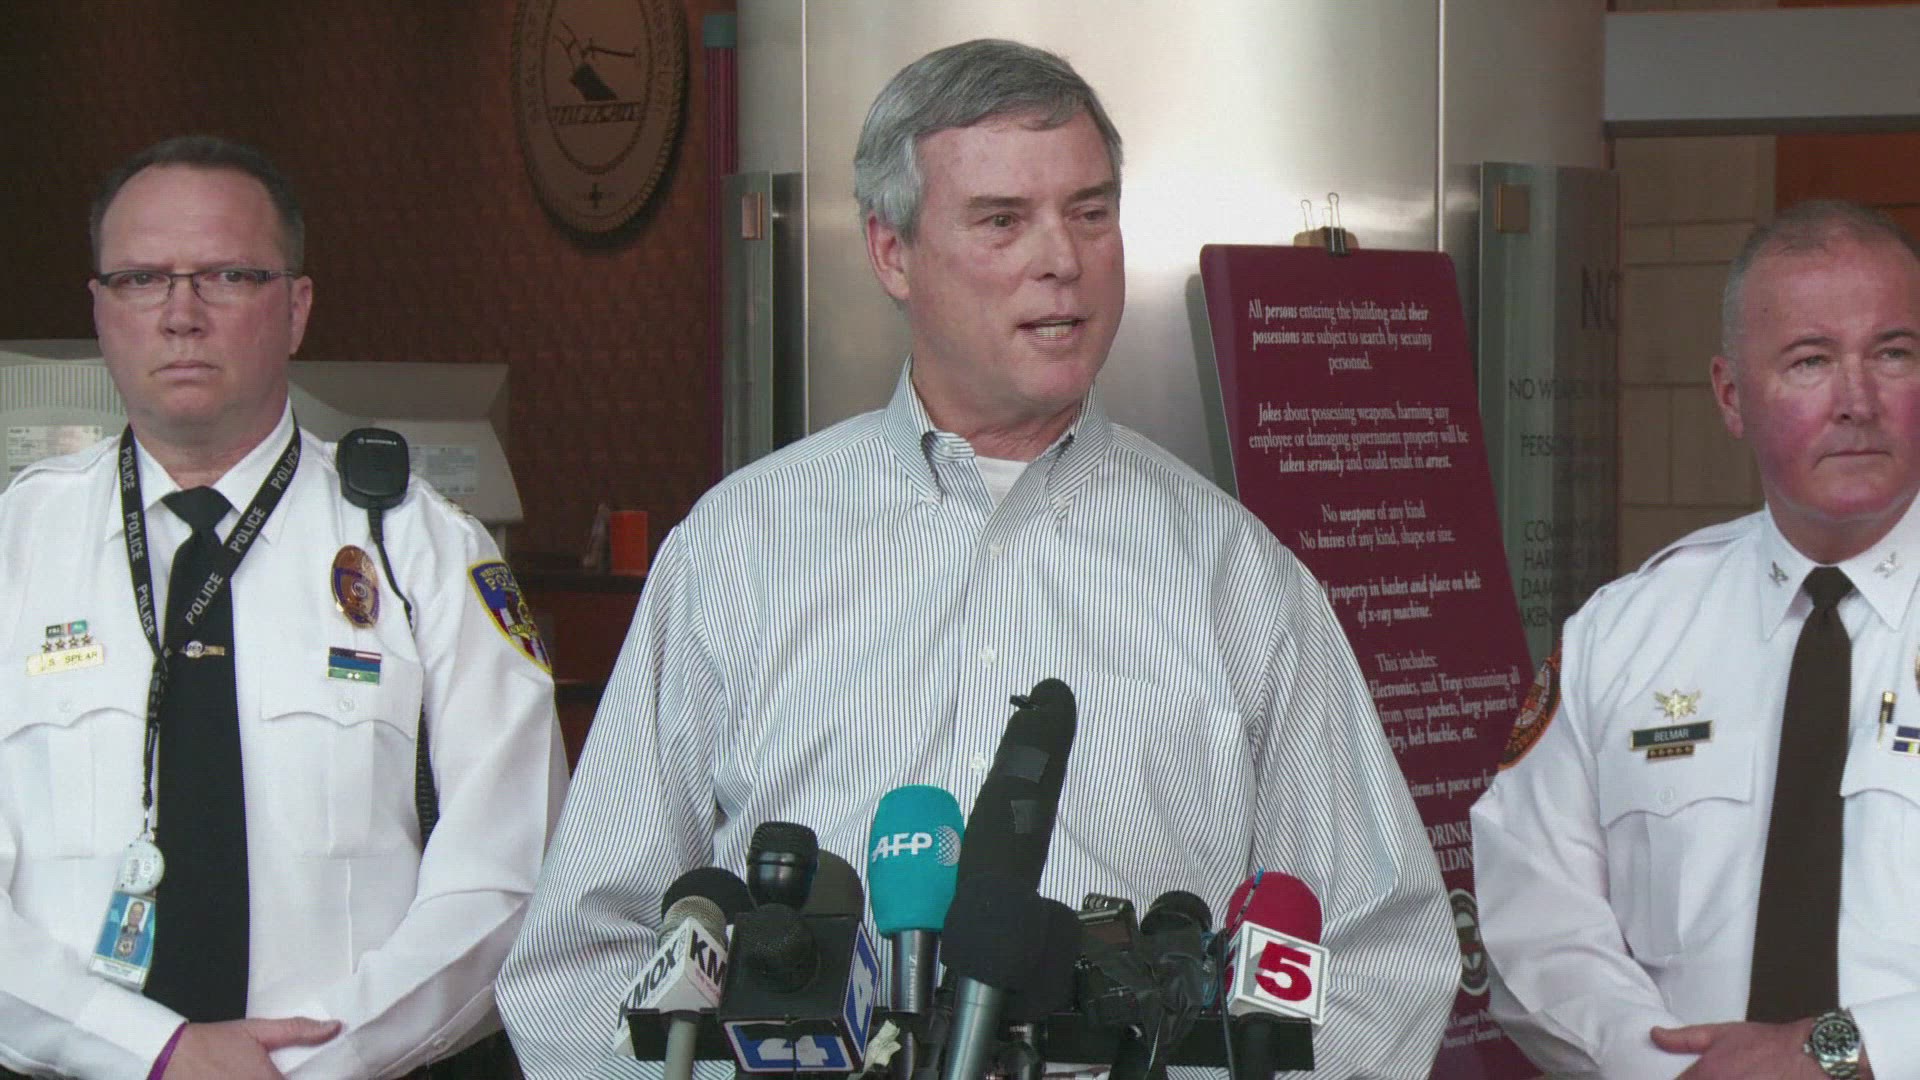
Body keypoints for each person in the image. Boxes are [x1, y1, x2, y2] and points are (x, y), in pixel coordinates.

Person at [498, 39, 1455, 1079]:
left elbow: (1381, 956)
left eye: (1090, 212)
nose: (1063, 259)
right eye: (1003, 220)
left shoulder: (1239, 576)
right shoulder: (738, 551)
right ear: (892, 252)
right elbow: (584, 956)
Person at [0, 136, 568, 1079]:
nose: (181, 315)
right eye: (141, 279)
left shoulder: (423, 551)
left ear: (296, 308)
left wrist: (305, 1064)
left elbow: (508, 874)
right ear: (99, 309)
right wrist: (151, 1053)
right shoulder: (16, 545)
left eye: (228, 275)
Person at [1471, 200, 1920, 1079]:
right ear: (1730, 396)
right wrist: (1673, 1069)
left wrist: (1841, 1053)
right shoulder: (1625, 635)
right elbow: (1538, 918)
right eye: (1810, 361)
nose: (1857, 403)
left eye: (1894, 354)